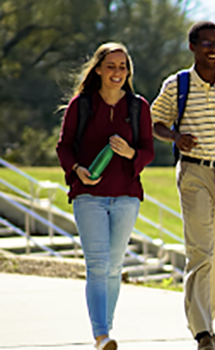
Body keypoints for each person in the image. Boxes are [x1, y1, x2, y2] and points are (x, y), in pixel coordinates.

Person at [150, 21, 215, 350]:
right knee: (200, 251)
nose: (213, 48)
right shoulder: (177, 85)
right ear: (192, 46)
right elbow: (156, 122)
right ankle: (202, 333)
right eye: (206, 42)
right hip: (194, 174)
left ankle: (208, 321)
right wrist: (174, 137)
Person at [56, 42, 155, 350]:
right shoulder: (81, 105)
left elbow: (149, 151)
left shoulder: (138, 106)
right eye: (111, 66)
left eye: (122, 67)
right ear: (98, 69)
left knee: (114, 266)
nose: (117, 72)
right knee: (98, 264)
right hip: (89, 195)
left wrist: (130, 153)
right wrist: (76, 169)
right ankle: (101, 335)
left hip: (126, 196)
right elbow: (64, 146)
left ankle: (105, 330)